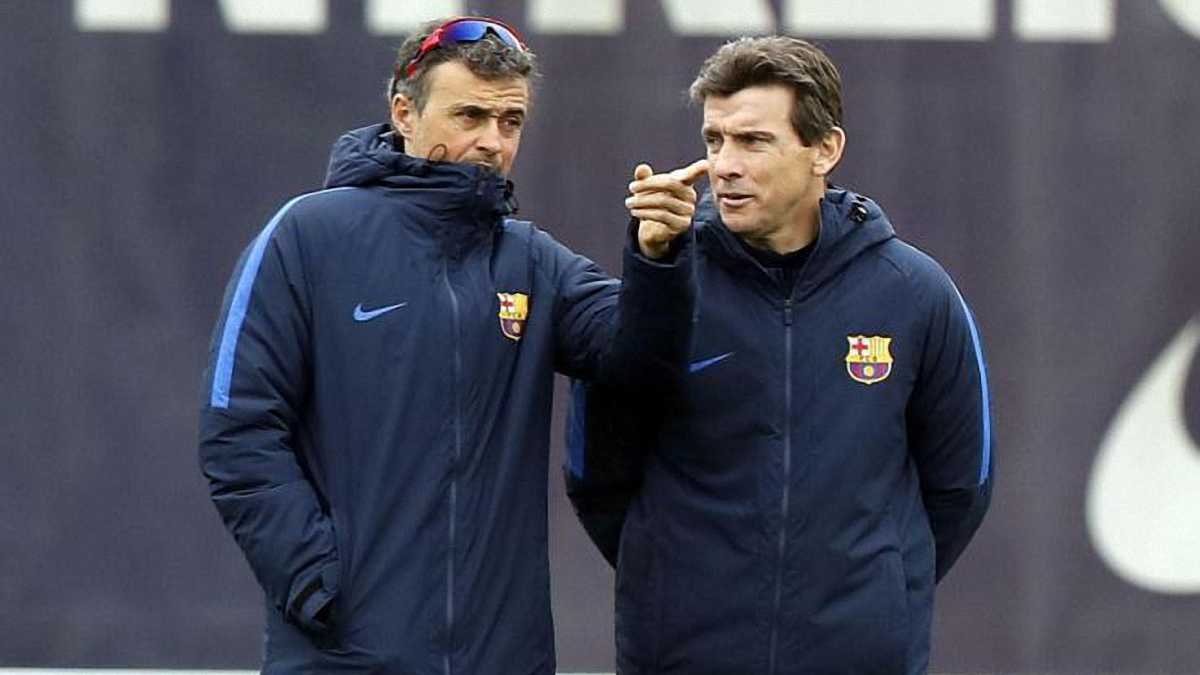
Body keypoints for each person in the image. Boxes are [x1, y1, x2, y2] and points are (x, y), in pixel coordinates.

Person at [198, 16, 705, 674]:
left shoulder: (531, 261)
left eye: (510, 121)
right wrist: (317, 582)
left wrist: (657, 259)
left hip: (502, 656)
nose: (492, 141)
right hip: (347, 656)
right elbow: (236, 429)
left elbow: (637, 364)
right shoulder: (306, 236)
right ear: (403, 112)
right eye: (470, 115)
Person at [569, 36, 994, 674]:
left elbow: (961, 486)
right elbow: (595, 474)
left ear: (825, 149)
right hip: (685, 657)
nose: (725, 166)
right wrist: (676, 587)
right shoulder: (662, 286)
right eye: (715, 140)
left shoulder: (915, 293)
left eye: (754, 141)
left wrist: (872, 595)